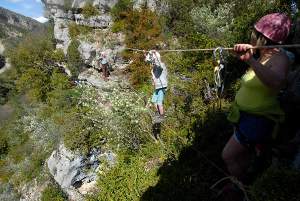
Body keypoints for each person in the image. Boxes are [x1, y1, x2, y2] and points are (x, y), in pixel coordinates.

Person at [222, 13, 291, 187]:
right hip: (245, 115)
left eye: (255, 32)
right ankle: (244, 181)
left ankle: (242, 187)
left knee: (227, 155)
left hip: (257, 120)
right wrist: (245, 54)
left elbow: (276, 82)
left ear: (262, 37)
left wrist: (251, 60)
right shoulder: (263, 54)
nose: (251, 34)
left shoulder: (280, 58)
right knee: (242, 156)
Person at [145, 50, 168, 121]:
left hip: (162, 86)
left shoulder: (161, 66)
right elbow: (148, 61)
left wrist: (153, 52)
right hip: (157, 87)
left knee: (159, 102)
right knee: (154, 100)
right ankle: (158, 113)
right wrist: (146, 54)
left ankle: (162, 116)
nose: (153, 63)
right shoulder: (154, 67)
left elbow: (157, 61)